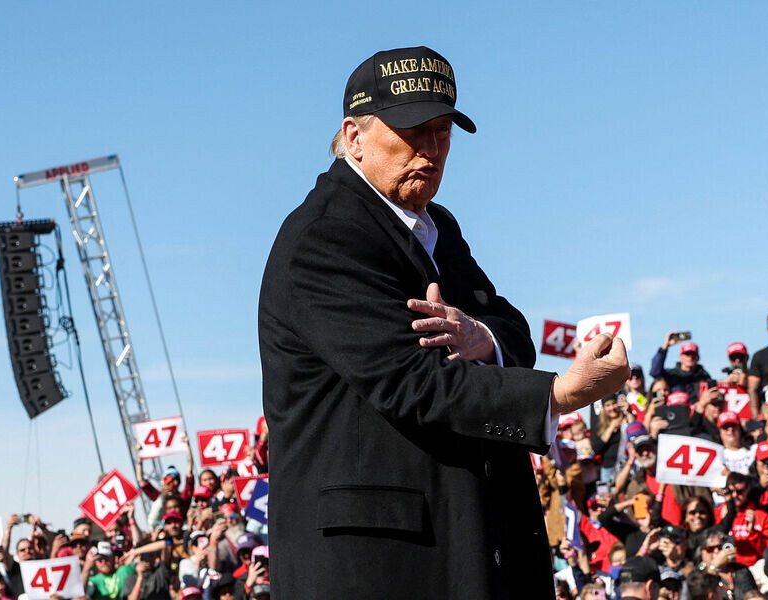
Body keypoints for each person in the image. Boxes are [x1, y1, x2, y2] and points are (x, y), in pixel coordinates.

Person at [257, 45, 629, 598]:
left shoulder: (437, 226)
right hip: (379, 568)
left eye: (442, 132)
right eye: (412, 132)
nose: (431, 150)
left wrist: (482, 338)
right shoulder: (326, 238)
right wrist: (558, 395)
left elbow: (511, 329)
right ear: (354, 137)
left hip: (460, 547)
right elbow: (412, 382)